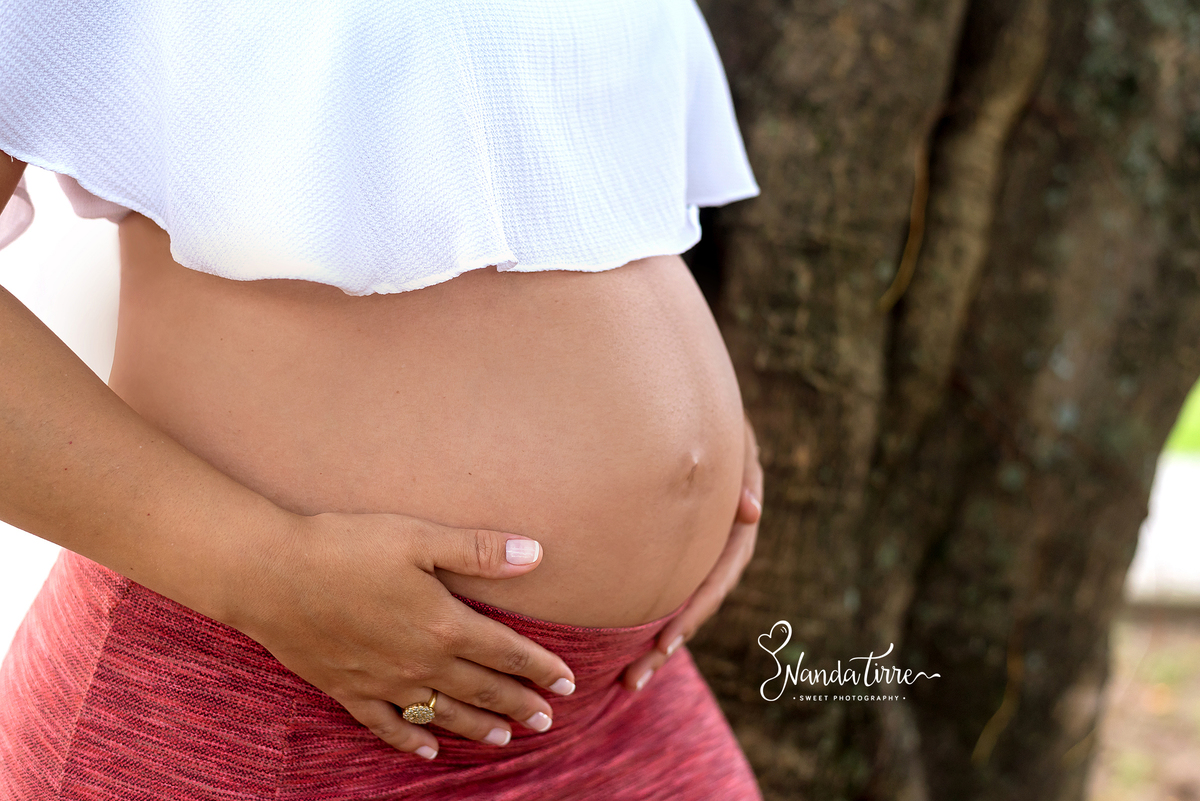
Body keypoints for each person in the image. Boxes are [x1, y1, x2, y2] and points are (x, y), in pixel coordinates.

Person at [0, 0, 764, 798]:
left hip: (615, 706)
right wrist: (262, 569)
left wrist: (690, 437)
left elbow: (568, 176)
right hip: (269, 713)